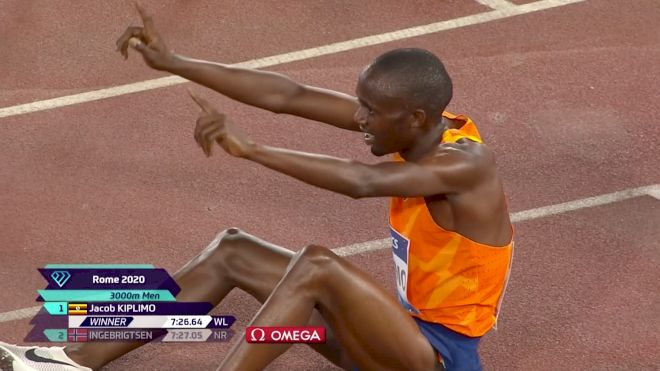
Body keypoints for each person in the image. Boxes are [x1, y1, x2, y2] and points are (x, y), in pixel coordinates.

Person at [0, 4, 514, 371]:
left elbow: (361, 182)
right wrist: (176, 62)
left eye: (371, 113)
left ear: (416, 117)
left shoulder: (467, 164)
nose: (359, 120)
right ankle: (73, 359)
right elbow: (288, 95)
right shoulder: (414, 127)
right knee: (233, 250)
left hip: (436, 357)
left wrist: (252, 151)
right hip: (391, 339)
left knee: (316, 263)